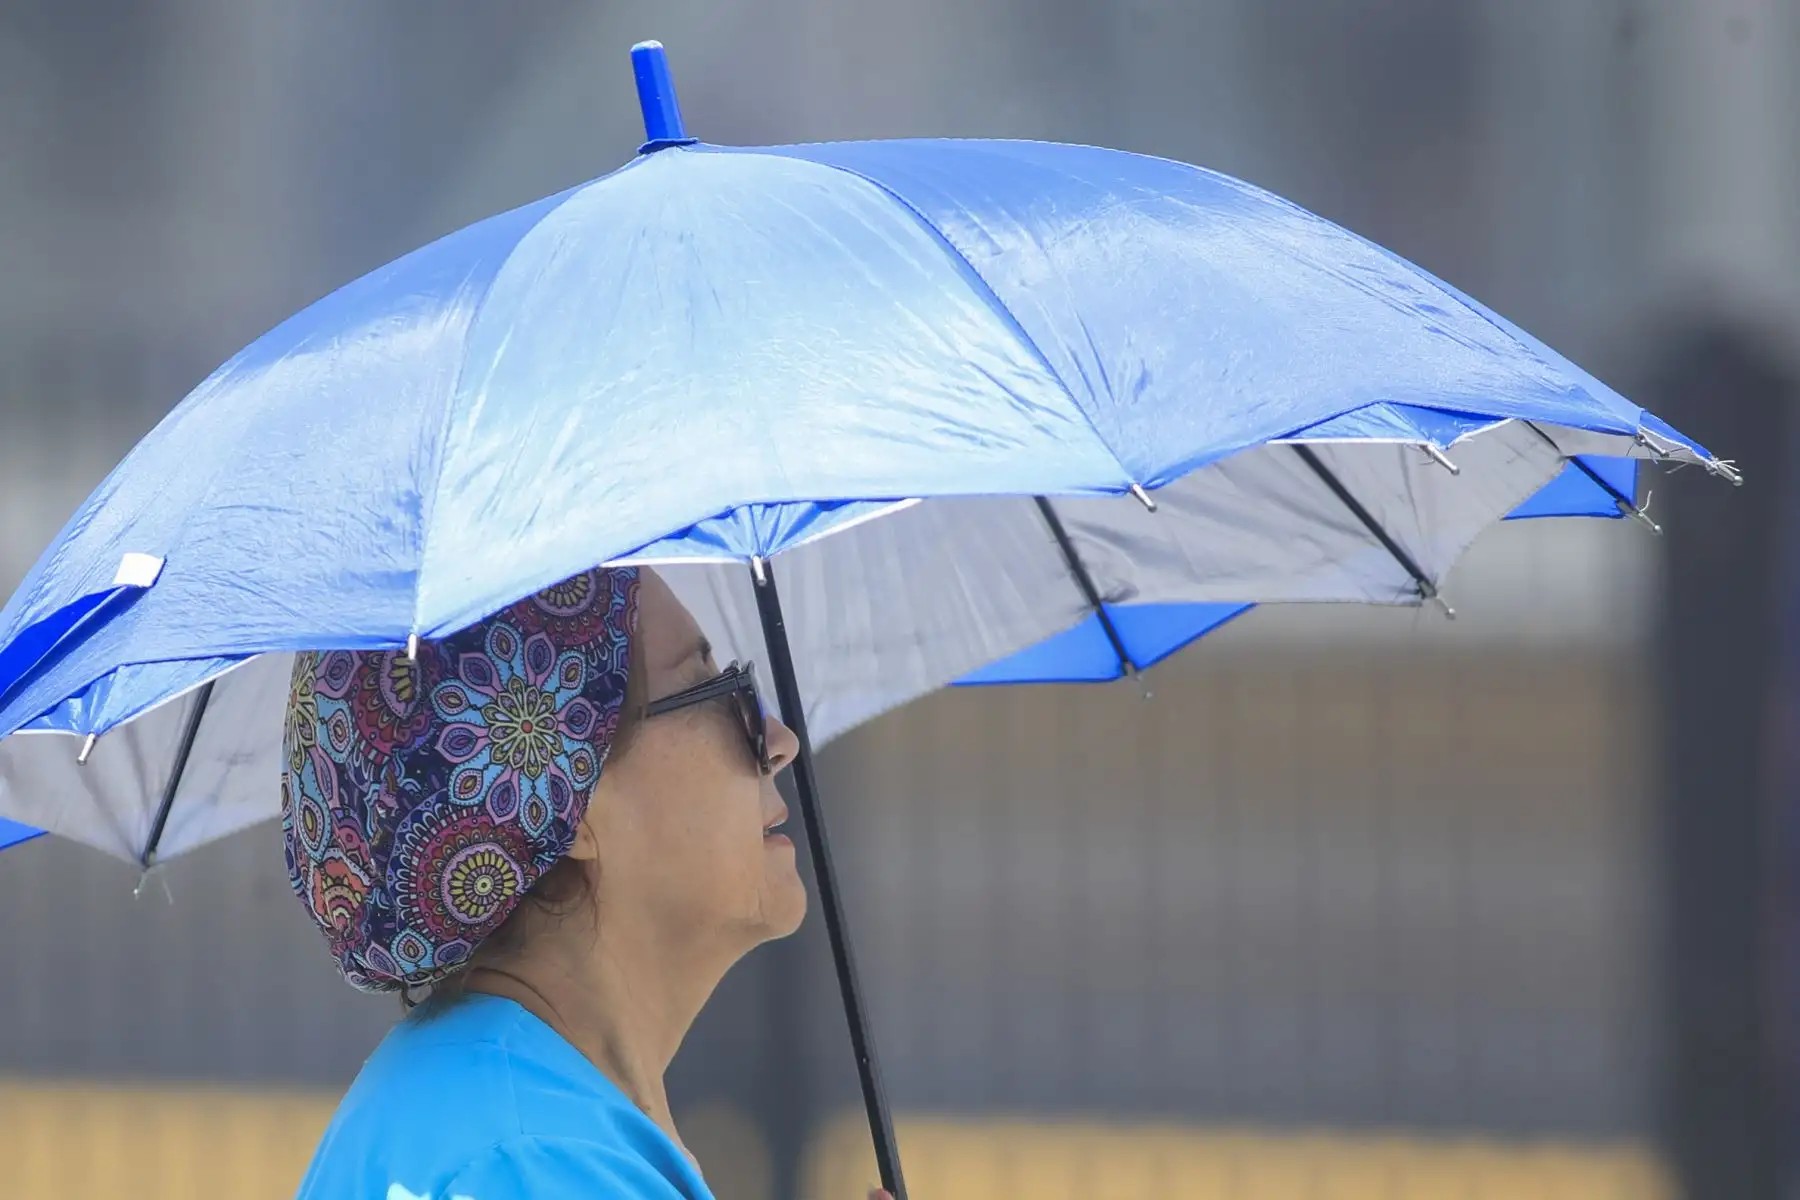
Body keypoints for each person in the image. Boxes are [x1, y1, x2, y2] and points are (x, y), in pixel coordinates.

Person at [283, 565, 887, 1199]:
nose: (780, 740)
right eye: (712, 688)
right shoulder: (533, 1160)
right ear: (559, 797)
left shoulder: (515, 1123)